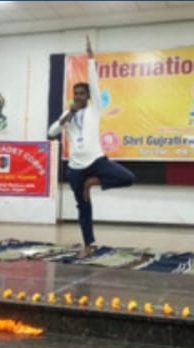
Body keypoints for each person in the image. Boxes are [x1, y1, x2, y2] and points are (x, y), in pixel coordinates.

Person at [48, 36, 135, 258]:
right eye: (75, 94)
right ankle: (88, 245)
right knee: (83, 208)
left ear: (88, 97)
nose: (78, 96)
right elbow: (51, 132)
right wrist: (67, 115)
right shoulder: (67, 115)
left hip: (96, 161)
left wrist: (90, 58)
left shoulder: (94, 109)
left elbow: (94, 84)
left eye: (82, 94)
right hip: (75, 168)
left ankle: (93, 182)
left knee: (127, 177)